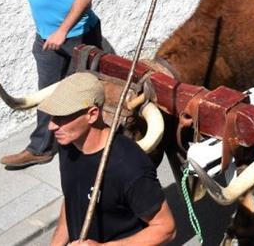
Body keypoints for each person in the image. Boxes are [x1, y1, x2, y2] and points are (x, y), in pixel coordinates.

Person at [0, 0, 103, 171]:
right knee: (46, 94)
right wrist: (49, 32)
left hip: (78, 37)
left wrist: (62, 31)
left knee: (78, 95)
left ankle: (87, 149)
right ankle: (41, 149)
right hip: (45, 38)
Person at [42, 72, 176, 245]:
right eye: (52, 117)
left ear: (92, 114)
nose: (51, 126)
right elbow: (72, 198)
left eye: (61, 117)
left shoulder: (129, 166)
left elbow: (166, 228)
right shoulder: (68, 144)